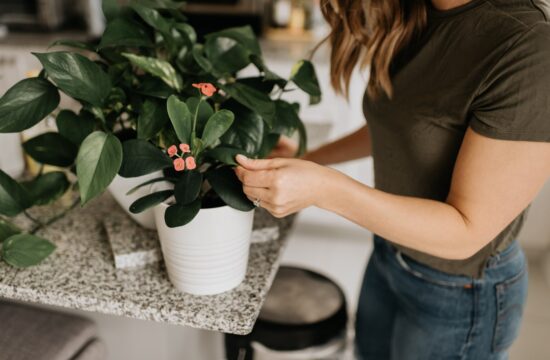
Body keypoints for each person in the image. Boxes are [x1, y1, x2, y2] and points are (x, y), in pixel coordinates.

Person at [234, 0, 550, 359]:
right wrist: (308, 159)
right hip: (389, 256)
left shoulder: (528, 47)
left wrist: (323, 188)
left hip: (460, 293)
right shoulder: (417, 11)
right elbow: (403, 125)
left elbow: (467, 231)